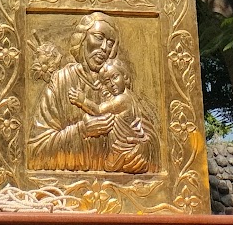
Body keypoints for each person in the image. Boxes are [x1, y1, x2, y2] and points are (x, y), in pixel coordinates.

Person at [28, 12, 159, 174]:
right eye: (98, 37)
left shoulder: (117, 85)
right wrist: (81, 131)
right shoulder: (62, 81)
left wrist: (142, 150)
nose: (104, 48)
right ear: (82, 39)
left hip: (123, 188)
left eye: (110, 43)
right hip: (63, 192)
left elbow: (149, 136)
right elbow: (36, 151)